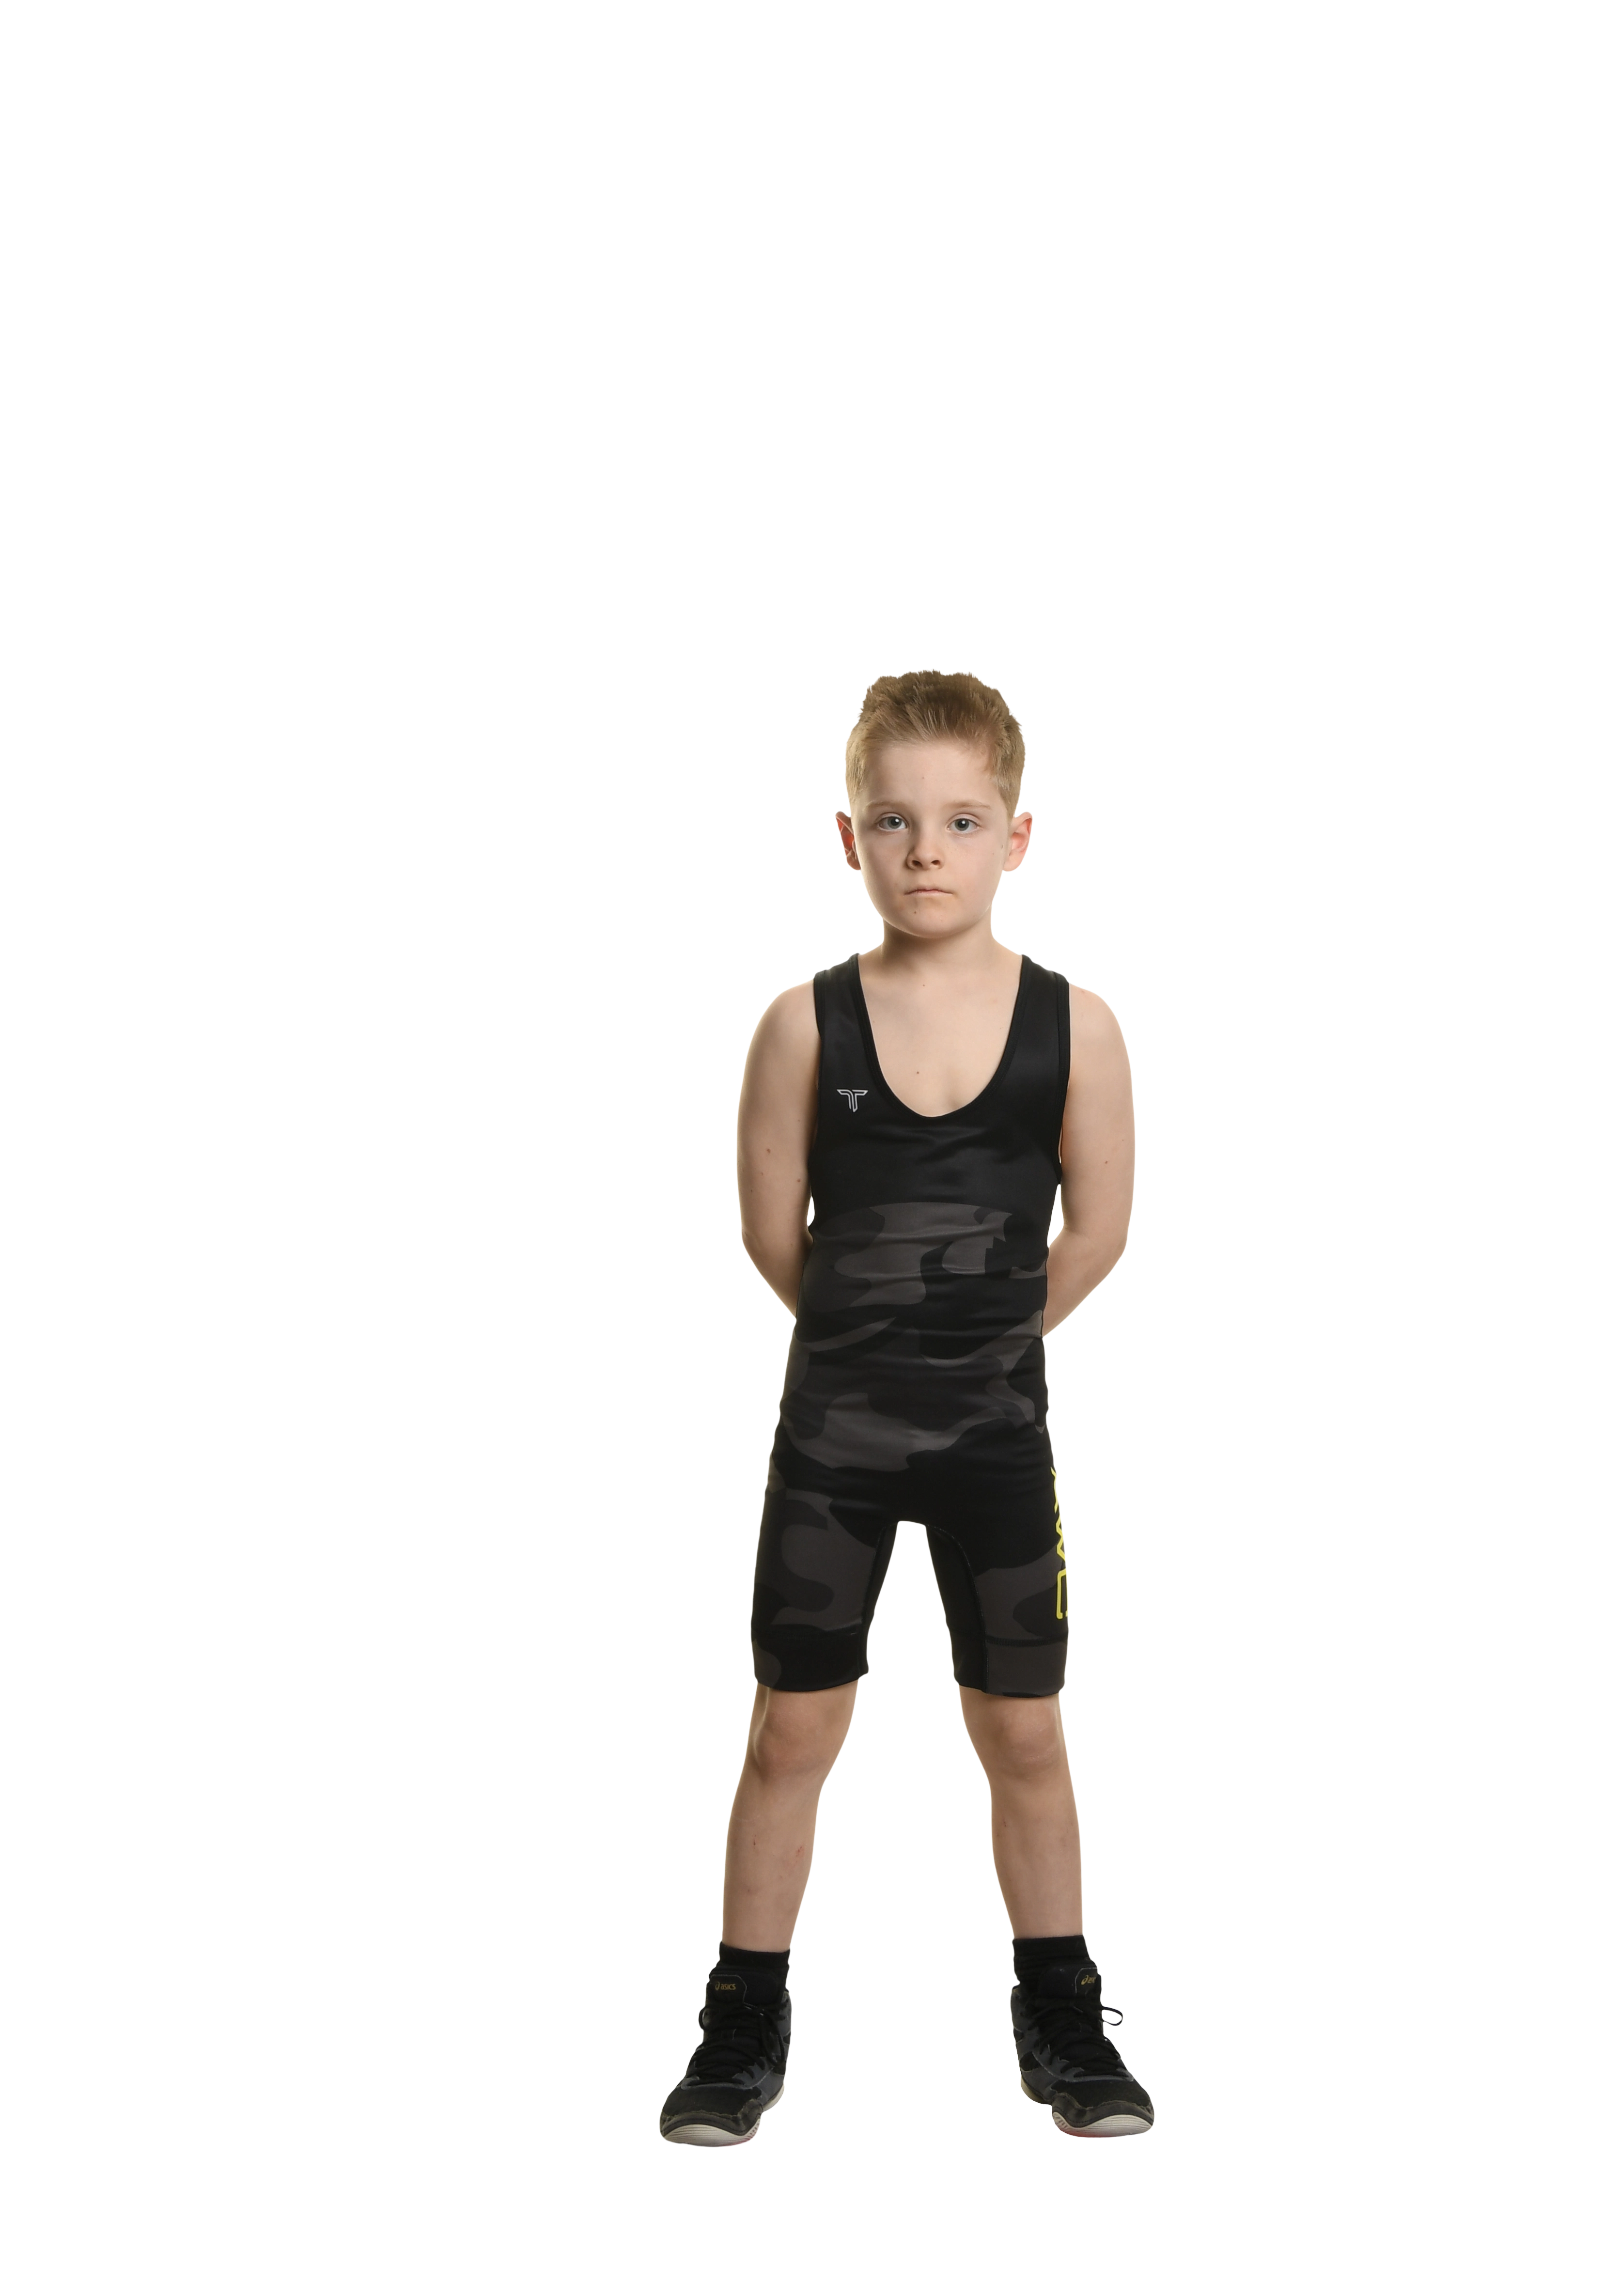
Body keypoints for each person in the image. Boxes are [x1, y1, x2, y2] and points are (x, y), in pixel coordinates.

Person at [661, 670, 1152, 2148]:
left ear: (1018, 838)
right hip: (837, 1446)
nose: (926, 848)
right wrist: (876, 1351)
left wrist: (981, 1345)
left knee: (1026, 1735)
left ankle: (1061, 2013)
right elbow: (774, 1236)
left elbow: (1099, 1230)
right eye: (892, 820)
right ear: (848, 838)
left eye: (963, 820)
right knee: (790, 1731)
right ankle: (744, 2021)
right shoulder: (802, 1027)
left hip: (998, 1443)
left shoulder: (1079, 1027)